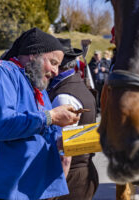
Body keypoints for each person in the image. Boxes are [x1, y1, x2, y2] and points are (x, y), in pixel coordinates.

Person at [0, 27, 80, 200]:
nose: (56, 72)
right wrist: (51, 116)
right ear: (33, 54)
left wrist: (77, 139)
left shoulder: (38, 86)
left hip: (27, 189)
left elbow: (41, 132)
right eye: (53, 62)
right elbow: (1, 126)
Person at [47, 39, 99, 200]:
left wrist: (54, 191)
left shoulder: (63, 96)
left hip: (71, 179)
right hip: (83, 172)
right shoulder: (77, 85)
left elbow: (65, 154)